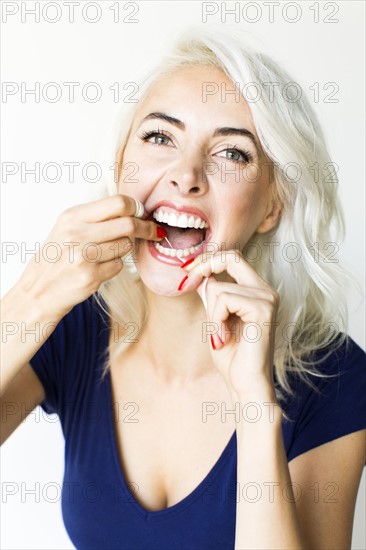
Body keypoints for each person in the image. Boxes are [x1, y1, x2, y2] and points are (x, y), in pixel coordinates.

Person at [1, 25, 365, 550]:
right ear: (123, 164)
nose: (186, 173)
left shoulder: (337, 378)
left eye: (233, 153)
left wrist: (254, 406)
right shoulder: (73, 328)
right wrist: (30, 299)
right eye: (159, 137)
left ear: (271, 207)